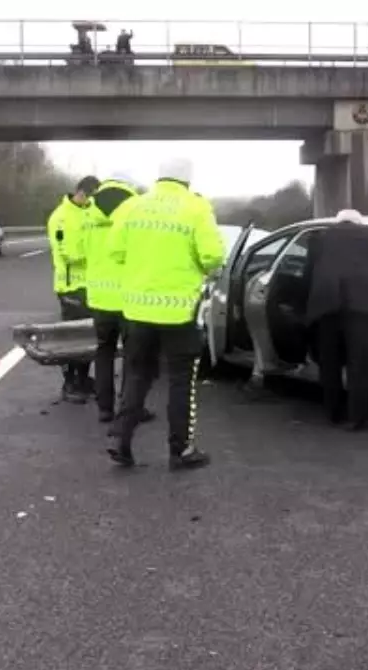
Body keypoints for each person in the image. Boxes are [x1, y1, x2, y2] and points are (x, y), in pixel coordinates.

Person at [106, 158, 225, 470]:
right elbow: (213, 256)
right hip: (179, 313)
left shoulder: (133, 207)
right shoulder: (196, 208)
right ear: (188, 181)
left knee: (136, 376)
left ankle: (120, 440)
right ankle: (181, 450)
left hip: (137, 309)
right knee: (180, 382)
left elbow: (115, 251)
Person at [304, 209, 368, 430]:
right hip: (362, 308)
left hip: (326, 307)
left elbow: (307, 275)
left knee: (329, 363)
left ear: (338, 222)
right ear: (359, 223)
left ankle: (333, 413)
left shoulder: (319, 238)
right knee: (360, 364)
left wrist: (307, 310)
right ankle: (356, 418)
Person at [85, 172, 153, 426]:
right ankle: (129, 409)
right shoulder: (136, 207)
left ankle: (104, 408)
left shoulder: (88, 211)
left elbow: (81, 250)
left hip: (99, 297)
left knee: (104, 351)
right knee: (132, 357)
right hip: (128, 297)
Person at [47, 175, 100, 403]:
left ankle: (83, 379)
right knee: (72, 338)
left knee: (88, 336)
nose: (88, 201)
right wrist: (99, 255)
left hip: (90, 286)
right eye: (87, 196)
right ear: (79, 191)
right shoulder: (60, 217)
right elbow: (68, 253)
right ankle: (69, 383)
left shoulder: (89, 211)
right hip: (70, 286)